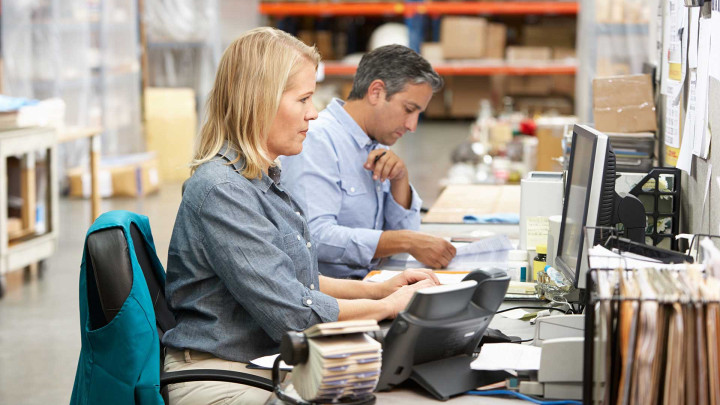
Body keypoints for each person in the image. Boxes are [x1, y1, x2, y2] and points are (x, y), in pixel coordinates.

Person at [161, 27, 439, 404]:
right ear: (260, 100)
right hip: (221, 374)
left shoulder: (263, 178)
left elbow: (297, 282)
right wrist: (389, 307)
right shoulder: (221, 190)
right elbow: (294, 313)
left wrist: (381, 289)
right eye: (304, 99)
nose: (313, 113)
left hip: (263, 363)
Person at [280, 45, 457, 280]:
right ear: (376, 92)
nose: (412, 126)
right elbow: (315, 237)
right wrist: (405, 241)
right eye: (408, 109)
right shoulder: (317, 140)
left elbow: (409, 238)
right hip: (336, 298)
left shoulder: (377, 142)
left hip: (374, 283)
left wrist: (400, 181)